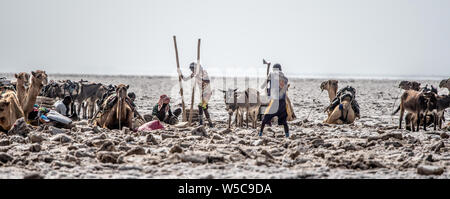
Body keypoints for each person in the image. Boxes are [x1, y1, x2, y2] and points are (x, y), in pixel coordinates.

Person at [259, 63, 290, 137]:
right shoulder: (285, 78)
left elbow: (262, 86)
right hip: (282, 103)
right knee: (284, 122)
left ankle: (260, 134)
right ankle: (287, 136)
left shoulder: (271, 75)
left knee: (264, 119)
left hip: (274, 102)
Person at [180, 62, 214, 127]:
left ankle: (201, 123)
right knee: (204, 108)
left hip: (207, 93)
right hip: (202, 94)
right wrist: (180, 73)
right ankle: (210, 124)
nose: (192, 71)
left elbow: (207, 81)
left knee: (200, 106)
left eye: (192, 69)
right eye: (191, 70)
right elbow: (185, 79)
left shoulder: (203, 72)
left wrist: (199, 78)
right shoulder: (194, 74)